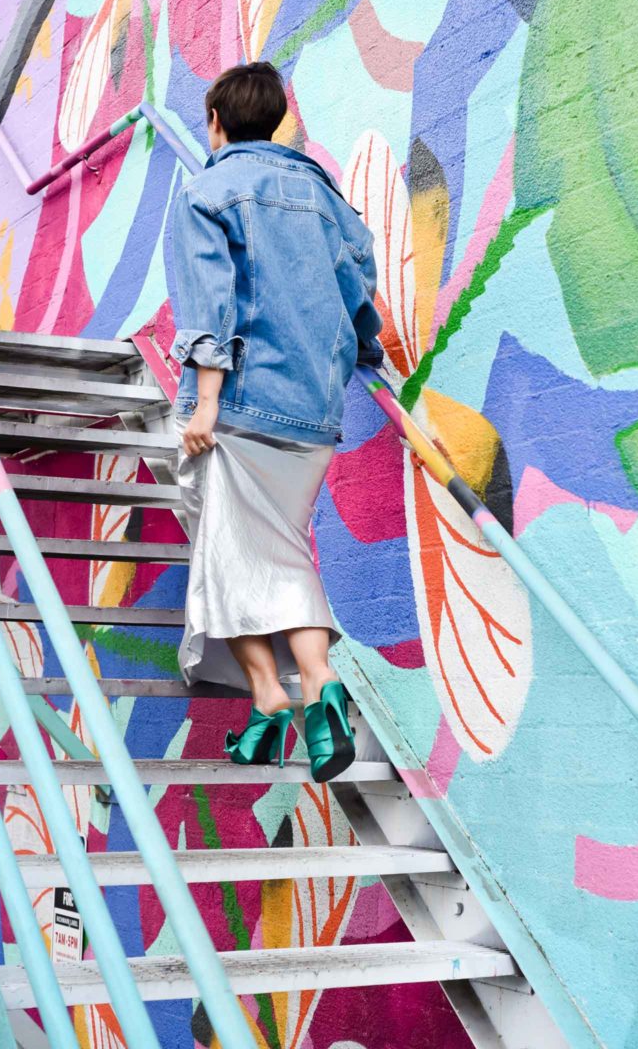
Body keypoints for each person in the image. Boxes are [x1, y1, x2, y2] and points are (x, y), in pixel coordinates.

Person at [169, 62, 383, 783]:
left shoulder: (207, 191)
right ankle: (269, 703)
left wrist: (205, 403)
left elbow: (210, 304)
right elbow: (360, 285)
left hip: (237, 404)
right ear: (276, 120)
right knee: (258, 549)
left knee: (241, 553)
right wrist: (365, 345)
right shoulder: (326, 199)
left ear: (218, 122)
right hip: (313, 410)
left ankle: (312, 685)